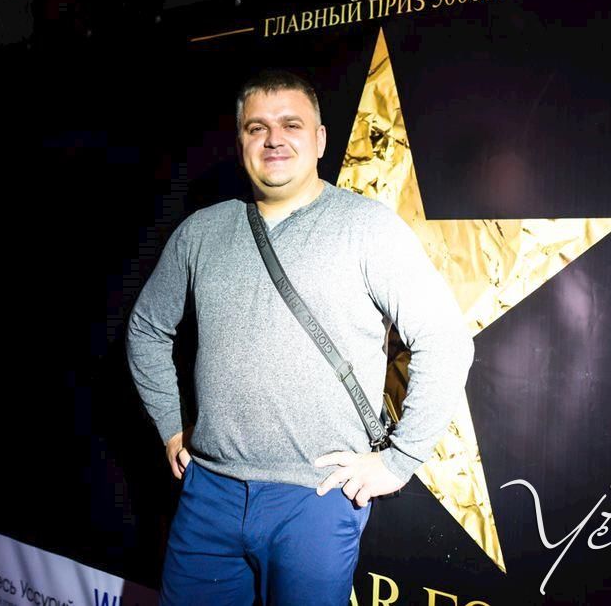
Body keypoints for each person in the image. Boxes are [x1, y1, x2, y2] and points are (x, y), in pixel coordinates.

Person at [126, 69, 474, 605]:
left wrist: (400, 459)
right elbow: (146, 328)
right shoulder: (201, 232)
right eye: (256, 127)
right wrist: (172, 426)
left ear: (320, 139)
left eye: (291, 124)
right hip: (209, 494)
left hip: (315, 500)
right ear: (240, 141)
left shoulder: (367, 228)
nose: (274, 139)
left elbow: (446, 339)